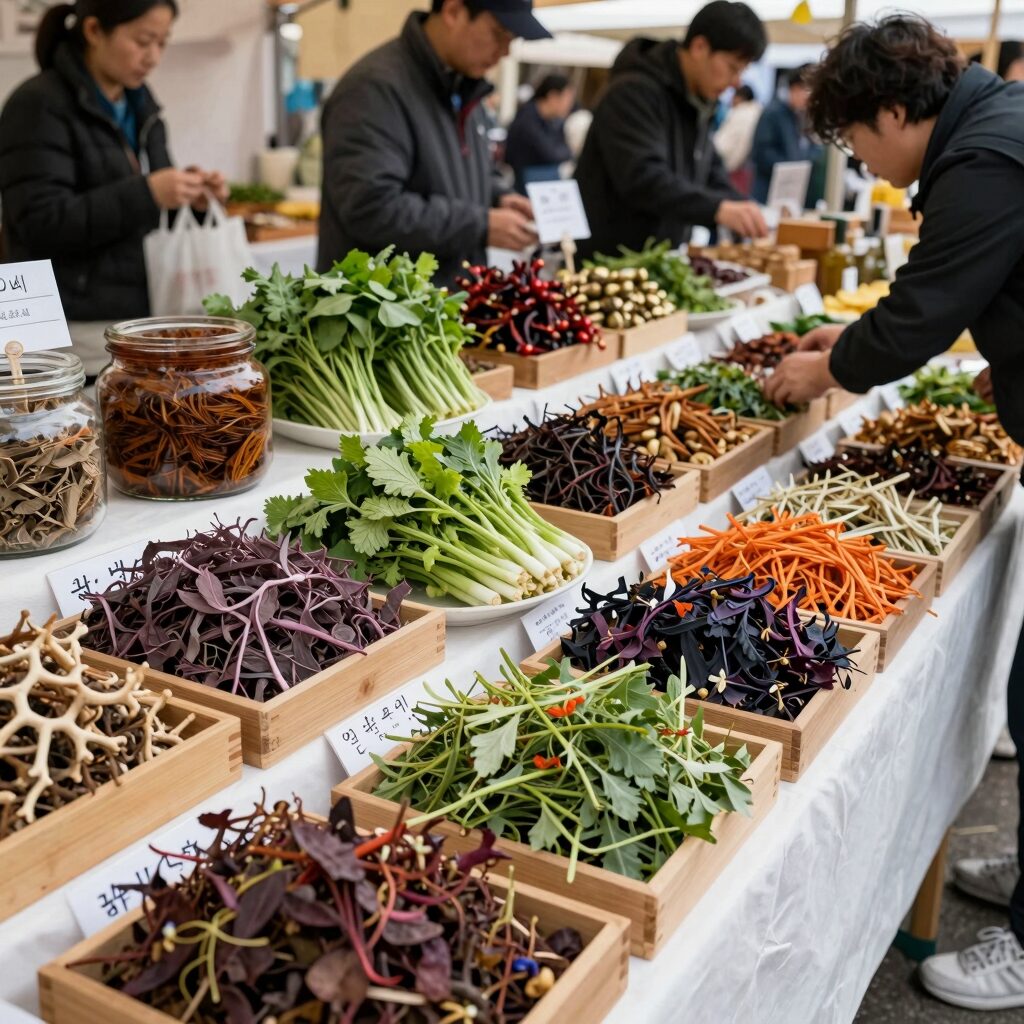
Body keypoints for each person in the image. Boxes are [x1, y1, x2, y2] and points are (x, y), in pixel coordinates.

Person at [764, 18, 1024, 1008]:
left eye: (857, 142)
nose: (865, 166)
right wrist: (848, 335)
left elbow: (924, 315)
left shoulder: (984, 158)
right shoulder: (990, 128)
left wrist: (830, 366)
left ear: (894, 111)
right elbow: (938, 292)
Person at [0, 0, 227, 374]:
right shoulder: (38, 105)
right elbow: (40, 222)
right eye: (143, 40)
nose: (153, 56)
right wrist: (148, 192)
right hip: (71, 329)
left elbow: (150, 206)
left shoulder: (143, 106)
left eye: (162, 42)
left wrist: (192, 199)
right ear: (93, 31)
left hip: (137, 317)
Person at [318, 0, 548, 286]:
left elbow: (448, 172)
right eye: (499, 34)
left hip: (446, 307)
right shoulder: (373, 90)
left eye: (512, 40)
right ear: (453, 11)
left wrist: (497, 195)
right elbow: (371, 207)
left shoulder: (464, 87)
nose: (504, 51)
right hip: (386, 315)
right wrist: (480, 224)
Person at [574, 0, 769, 260]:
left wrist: (741, 207)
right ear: (700, 47)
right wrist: (717, 208)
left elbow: (711, 171)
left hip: (660, 259)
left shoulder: (696, 101)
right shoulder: (633, 92)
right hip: (609, 264)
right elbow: (643, 177)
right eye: (733, 67)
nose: (736, 82)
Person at [751, 64, 820, 205]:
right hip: (767, 192)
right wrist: (791, 166)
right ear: (794, 88)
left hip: (790, 192)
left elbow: (810, 146)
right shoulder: (773, 113)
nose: (809, 98)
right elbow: (761, 153)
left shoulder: (799, 115)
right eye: (807, 90)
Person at [505, 73, 575, 193]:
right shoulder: (527, 119)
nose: (570, 104)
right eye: (567, 98)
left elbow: (564, 151)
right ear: (552, 96)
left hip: (540, 184)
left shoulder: (552, 121)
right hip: (525, 188)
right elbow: (552, 154)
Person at [714, 84, 762, 195]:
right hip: (749, 171)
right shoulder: (758, 113)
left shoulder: (739, 114)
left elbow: (723, 145)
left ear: (739, 98)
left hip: (733, 170)